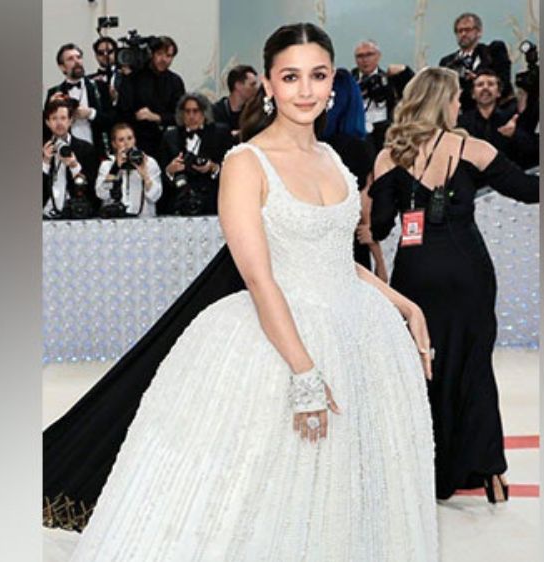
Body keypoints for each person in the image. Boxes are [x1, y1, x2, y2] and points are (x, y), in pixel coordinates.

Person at [47, 23, 439, 561]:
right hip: (280, 340)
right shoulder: (245, 162)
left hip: (359, 337)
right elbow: (259, 277)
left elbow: (336, 262)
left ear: (333, 84)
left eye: (318, 76)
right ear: (270, 86)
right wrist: (303, 371)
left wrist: (405, 305)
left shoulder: (337, 161)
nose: (306, 90)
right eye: (291, 76)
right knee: (264, 494)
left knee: (347, 488)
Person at [369, 67, 539, 503]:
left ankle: (431, 470)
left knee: (424, 367)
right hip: (469, 272)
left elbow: (383, 225)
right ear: (443, 101)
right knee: (475, 366)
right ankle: (489, 472)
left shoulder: (390, 156)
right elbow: (526, 189)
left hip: (416, 276)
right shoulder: (471, 148)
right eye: (455, 98)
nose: (460, 105)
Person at [319, 67, 387, 280]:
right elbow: (364, 212)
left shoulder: (311, 147)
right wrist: (381, 264)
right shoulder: (359, 148)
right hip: (349, 250)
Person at [158, 93, 233, 215]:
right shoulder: (170, 137)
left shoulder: (220, 133)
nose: (191, 116)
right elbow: (160, 173)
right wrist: (170, 171)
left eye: (195, 111)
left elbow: (232, 168)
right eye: (187, 111)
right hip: (179, 202)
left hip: (212, 203)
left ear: (204, 113)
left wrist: (213, 167)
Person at [458, 69, 539, 169]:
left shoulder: (511, 118)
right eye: (480, 85)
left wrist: (515, 134)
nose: (485, 88)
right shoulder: (462, 122)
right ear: (473, 94)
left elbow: (532, 149)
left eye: (491, 84)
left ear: (498, 93)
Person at [121, 36, 186, 156]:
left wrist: (157, 117)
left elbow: (181, 116)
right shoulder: (134, 78)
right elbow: (123, 111)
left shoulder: (175, 81)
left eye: (168, 56)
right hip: (138, 139)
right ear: (152, 54)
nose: (164, 59)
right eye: (160, 54)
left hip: (166, 141)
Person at [45, 43, 112, 157]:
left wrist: (91, 113)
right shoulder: (54, 92)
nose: (77, 61)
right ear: (62, 67)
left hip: (97, 150)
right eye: (70, 59)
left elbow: (112, 119)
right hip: (67, 152)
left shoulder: (100, 87)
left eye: (79, 57)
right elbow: (46, 127)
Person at [438, 13, 513, 112]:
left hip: (492, 114)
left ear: (479, 32)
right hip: (460, 114)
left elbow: (504, 83)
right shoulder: (447, 62)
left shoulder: (493, 52)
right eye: (459, 31)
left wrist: (477, 78)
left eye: (468, 30)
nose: (463, 34)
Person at [351, 40, 413, 150]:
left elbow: (414, 88)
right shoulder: (350, 81)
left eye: (369, 55)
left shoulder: (389, 79)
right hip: (357, 132)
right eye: (360, 56)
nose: (365, 60)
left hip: (383, 132)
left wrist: (405, 71)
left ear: (378, 56)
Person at [43, 99, 99, 220]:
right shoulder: (41, 149)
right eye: (54, 118)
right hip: (45, 215)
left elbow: (92, 190)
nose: (59, 123)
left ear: (70, 121)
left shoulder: (86, 149)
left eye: (63, 118)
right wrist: (45, 163)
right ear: (47, 122)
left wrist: (74, 167)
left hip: (77, 214)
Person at [95, 123, 163, 218]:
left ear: (135, 140)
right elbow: (101, 194)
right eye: (121, 140)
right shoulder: (107, 165)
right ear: (114, 144)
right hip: (114, 221)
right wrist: (115, 168)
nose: (126, 143)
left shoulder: (149, 162)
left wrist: (145, 175)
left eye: (130, 138)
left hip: (144, 219)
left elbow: (155, 196)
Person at [211, 64, 259, 138]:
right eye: (252, 85)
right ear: (238, 85)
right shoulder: (216, 112)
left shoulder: (255, 111)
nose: (256, 89)